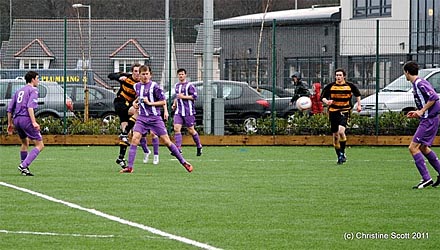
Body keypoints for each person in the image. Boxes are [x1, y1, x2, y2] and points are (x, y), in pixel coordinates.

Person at [120, 65, 193, 173]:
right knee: (135, 138)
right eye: (143, 74)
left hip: (155, 119)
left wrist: (150, 103)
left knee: (167, 142)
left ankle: (184, 162)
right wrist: (135, 103)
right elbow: (139, 97)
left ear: (150, 75)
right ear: (139, 75)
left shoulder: (155, 86)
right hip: (142, 118)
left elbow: (163, 101)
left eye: (147, 74)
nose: (145, 76)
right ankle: (130, 167)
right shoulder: (137, 86)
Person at [403, 61, 440, 189]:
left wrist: (422, 111)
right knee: (423, 148)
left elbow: (434, 97)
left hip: (428, 120)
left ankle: (426, 178)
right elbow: (427, 100)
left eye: (404, 73)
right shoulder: (417, 83)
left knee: (413, 148)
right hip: (430, 118)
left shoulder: (419, 83)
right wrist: (417, 111)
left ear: (407, 72)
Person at [108, 64, 153, 168]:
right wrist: (118, 77)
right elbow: (110, 75)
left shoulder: (140, 84)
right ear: (132, 72)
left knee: (127, 135)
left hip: (129, 107)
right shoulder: (126, 78)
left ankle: (121, 158)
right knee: (137, 112)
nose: (137, 74)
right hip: (121, 103)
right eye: (135, 71)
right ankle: (141, 128)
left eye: (139, 72)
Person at [7, 71, 44, 176]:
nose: (38, 80)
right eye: (37, 78)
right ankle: (23, 165)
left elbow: (10, 109)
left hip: (17, 120)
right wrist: (34, 122)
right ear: (32, 79)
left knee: (25, 143)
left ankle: (25, 169)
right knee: (40, 145)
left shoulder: (19, 91)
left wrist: (10, 124)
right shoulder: (33, 90)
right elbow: (30, 107)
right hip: (25, 119)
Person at [321, 68, 361, 164]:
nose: (338, 77)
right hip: (333, 112)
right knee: (335, 136)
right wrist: (327, 101)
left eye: (340, 75)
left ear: (344, 76)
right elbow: (322, 97)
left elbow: (357, 94)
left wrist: (359, 105)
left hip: (344, 111)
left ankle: (342, 153)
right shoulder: (331, 86)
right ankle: (339, 155)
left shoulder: (349, 86)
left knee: (341, 131)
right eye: (337, 75)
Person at [171, 68, 203, 156]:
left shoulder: (190, 85)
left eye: (182, 74)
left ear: (185, 75)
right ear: (178, 76)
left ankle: (199, 146)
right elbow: (177, 97)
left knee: (191, 130)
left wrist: (184, 97)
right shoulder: (177, 85)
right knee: (176, 128)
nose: (181, 76)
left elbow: (194, 96)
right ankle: (178, 148)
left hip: (188, 112)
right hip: (179, 111)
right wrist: (174, 103)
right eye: (179, 74)